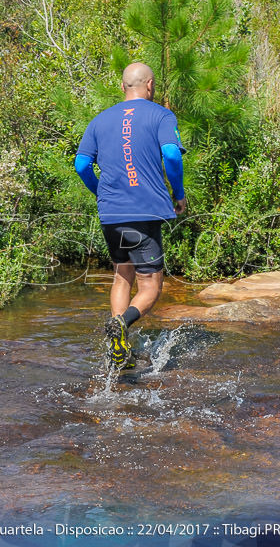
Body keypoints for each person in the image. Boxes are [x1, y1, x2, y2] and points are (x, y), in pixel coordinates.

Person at [74, 62, 187, 369]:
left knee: (123, 276)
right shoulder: (161, 115)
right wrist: (178, 193)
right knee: (150, 286)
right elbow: (173, 154)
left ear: (123, 86)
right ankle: (122, 324)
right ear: (149, 85)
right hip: (144, 211)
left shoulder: (99, 120)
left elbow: (81, 164)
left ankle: (118, 349)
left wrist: (100, 192)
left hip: (111, 213)